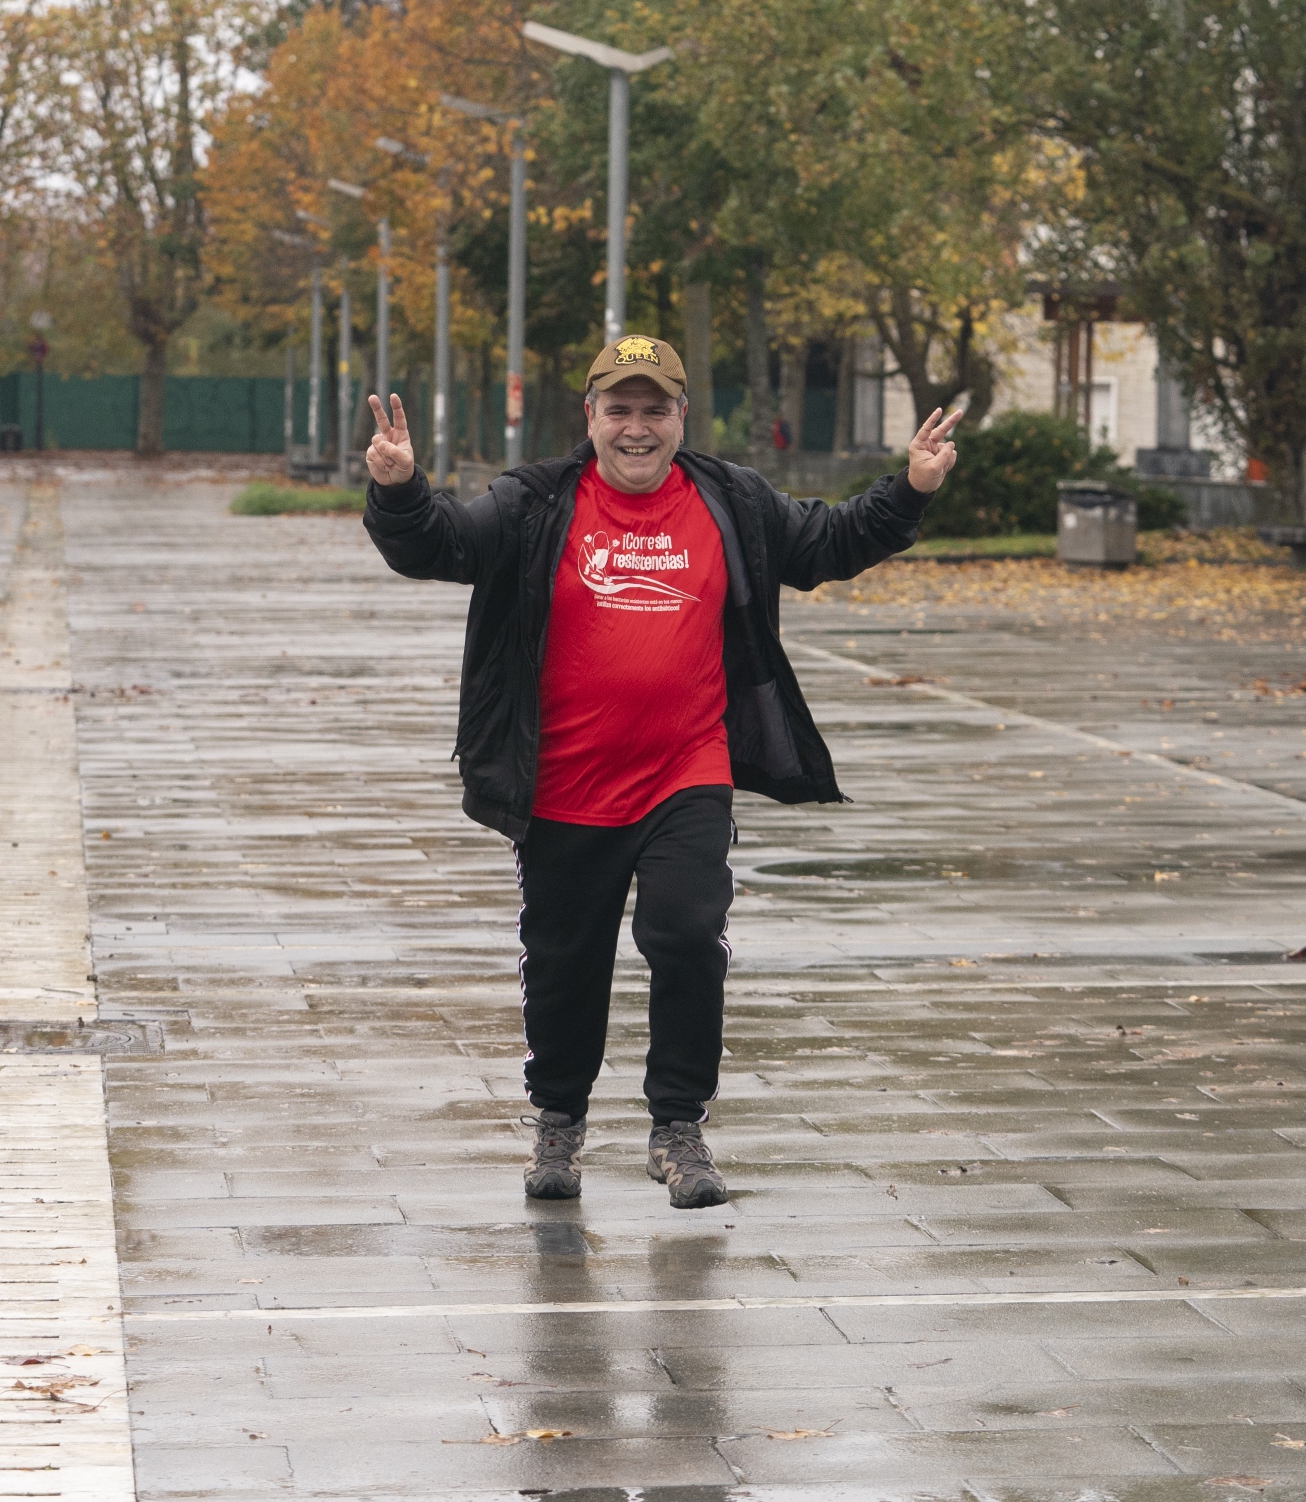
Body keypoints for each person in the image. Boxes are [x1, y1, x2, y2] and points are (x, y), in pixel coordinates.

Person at [361, 334, 960, 1208]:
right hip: (564, 784)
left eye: (654, 409)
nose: (635, 427)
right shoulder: (535, 502)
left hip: (686, 771)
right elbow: (442, 544)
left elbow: (826, 541)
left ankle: (678, 1128)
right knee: (564, 961)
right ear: (591, 416)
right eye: (619, 409)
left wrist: (910, 488)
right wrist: (400, 490)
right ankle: (559, 1121)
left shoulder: (731, 500)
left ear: (683, 416)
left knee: (685, 933)